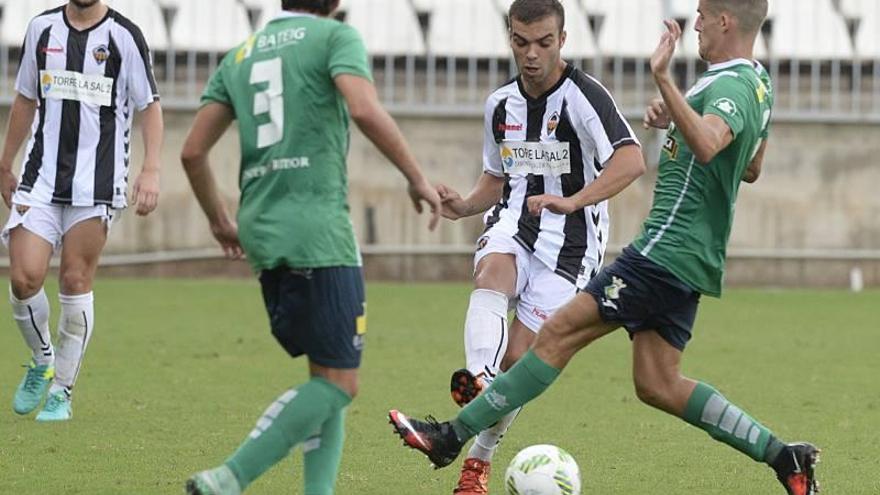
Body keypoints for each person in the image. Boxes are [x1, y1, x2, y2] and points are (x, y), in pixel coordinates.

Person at [389, 1, 821, 494]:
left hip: (664, 250)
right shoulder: (757, 83)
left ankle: (450, 437)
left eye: (702, 13)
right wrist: (677, 118)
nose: (695, 22)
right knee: (658, 383)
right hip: (691, 258)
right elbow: (749, 164)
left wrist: (663, 78)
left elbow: (707, 144)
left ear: (726, 20)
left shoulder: (730, 85)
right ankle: (783, 456)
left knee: (554, 337)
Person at [180, 0, 441, 493]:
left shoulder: (239, 55)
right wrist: (416, 177)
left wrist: (219, 217)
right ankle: (228, 477)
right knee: (340, 383)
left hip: (260, 227)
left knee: (325, 372)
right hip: (318, 231)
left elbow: (192, 151)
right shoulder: (334, 38)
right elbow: (363, 107)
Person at [433, 0, 645, 492]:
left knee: (522, 366)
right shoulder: (500, 104)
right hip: (513, 221)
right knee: (492, 272)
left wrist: (574, 201)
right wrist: (464, 206)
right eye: (521, 42)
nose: (532, 55)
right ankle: (479, 376)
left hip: (571, 247)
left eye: (544, 43)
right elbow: (496, 174)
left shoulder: (585, 96)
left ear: (562, 40)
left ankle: (477, 462)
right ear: (509, 37)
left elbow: (630, 161)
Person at [0, 0, 162, 422]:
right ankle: (43, 359)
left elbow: (150, 106)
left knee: (74, 278)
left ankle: (62, 390)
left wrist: (151, 169)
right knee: (23, 277)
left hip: (97, 185)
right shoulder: (42, 28)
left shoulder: (124, 36)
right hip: (40, 179)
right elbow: (24, 98)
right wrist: (5, 164)